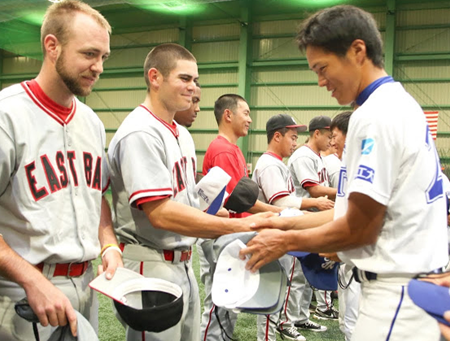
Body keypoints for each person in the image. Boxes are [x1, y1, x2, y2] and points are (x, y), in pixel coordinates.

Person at [240, 5, 447, 341]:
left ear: (357, 50)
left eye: (323, 68)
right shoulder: (397, 103)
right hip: (412, 287)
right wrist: (279, 221)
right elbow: (346, 213)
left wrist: (285, 240)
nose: (321, 82)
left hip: (397, 292)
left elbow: (359, 229)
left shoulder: (375, 115)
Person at [108, 43, 267, 341]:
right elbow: (161, 213)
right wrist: (238, 224)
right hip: (150, 261)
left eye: (194, 80)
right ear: (155, 77)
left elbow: (185, 201)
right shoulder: (141, 130)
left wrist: (226, 214)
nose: (193, 88)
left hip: (182, 260)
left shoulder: (180, 133)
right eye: (184, 78)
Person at [0, 1, 123, 340]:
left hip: (85, 286)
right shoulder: (7, 115)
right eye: (89, 54)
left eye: (104, 57)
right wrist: (30, 278)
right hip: (21, 293)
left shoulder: (92, 123)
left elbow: (95, 195)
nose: (98, 67)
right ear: (51, 46)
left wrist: (109, 244)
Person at [200, 94, 282, 341]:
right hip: (221, 234)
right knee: (218, 305)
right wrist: (279, 213)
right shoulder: (223, 150)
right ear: (228, 115)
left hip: (231, 233)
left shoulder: (231, 149)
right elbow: (240, 201)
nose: (250, 119)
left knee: (228, 303)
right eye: (245, 113)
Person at [252, 114, 333, 341]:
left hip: (281, 232)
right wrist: (312, 207)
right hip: (273, 234)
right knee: (271, 291)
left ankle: (274, 331)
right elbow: (281, 203)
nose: (295, 142)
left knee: (279, 289)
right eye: (292, 137)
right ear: (277, 136)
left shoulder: (276, 162)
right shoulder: (269, 163)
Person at [288, 115, 338, 323]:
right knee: (297, 275)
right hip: (300, 219)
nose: (331, 141)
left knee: (307, 273)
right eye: (328, 135)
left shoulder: (317, 156)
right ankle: (290, 318)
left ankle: (301, 317)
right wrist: (346, 192)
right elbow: (314, 190)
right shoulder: (303, 156)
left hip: (314, 221)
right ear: (316, 133)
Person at [329, 111, 360, 341]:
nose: (331, 142)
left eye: (335, 135)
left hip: (362, 265)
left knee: (356, 327)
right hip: (347, 262)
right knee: (346, 325)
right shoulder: (345, 166)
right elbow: (340, 214)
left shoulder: (361, 168)